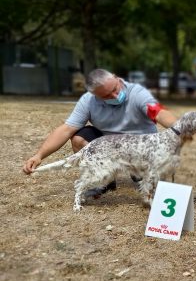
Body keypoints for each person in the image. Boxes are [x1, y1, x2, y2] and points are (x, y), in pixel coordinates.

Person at [22, 68, 178, 196]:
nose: (115, 96)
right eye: (107, 95)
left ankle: (140, 176)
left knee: (149, 184)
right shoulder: (88, 101)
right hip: (110, 147)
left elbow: (159, 112)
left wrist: (181, 127)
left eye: (115, 89)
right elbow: (66, 129)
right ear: (95, 95)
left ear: (117, 78)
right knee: (78, 138)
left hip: (141, 147)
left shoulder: (137, 93)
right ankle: (103, 182)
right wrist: (39, 155)